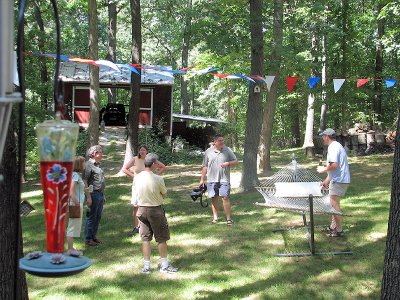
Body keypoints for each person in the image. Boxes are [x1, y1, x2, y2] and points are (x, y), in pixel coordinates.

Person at [133, 153, 178, 273]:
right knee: (162, 238)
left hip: (141, 210)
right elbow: (164, 194)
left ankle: (146, 267)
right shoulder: (158, 178)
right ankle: (164, 265)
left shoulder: (137, 177)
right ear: (153, 164)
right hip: (155, 210)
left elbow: (136, 193)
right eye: (157, 163)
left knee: (145, 239)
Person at [122, 145, 166, 236]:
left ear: (147, 151)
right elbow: (124, 169)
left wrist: (155, 175)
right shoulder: (135, 159)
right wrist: (134, 176)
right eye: (140, 150)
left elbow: (163, 167)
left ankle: (147, 224)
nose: (142, 152)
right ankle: (136, 226)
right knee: (136, 205)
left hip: (149, 184)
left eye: (144, 150)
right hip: (137, 185)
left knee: (147, 204)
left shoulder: (150, 160)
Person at [317, 128, 350, 237]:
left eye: (323, 136)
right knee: (334, 204)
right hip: (338, 179)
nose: (322, 138)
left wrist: (323, 169)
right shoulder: (336, 146)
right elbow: (335, 169)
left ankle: (339, 230)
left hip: (339, 180)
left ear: (327, 136)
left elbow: (334, 165)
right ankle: (333, 226)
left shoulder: (333, 147)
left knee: (334, 204)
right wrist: (326, 181)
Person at [199, 134, 238, 225]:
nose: (222, 142)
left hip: (224, 179)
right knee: (214, 198)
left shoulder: (227, 150)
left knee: (225, 197)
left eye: (222, 140)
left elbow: (236, 162)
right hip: (212, 179)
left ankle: (228, 219)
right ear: (215, 142)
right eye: (220, 140)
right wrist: (202, 179)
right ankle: (215, 218)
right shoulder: (208, 152)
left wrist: (228, 163)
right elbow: (205, 166)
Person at [66, 156, 91, 254]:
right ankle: (70, 250)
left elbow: (78, 190)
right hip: (75, 204)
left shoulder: (76, 175)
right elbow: (70, 192)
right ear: (79, 164)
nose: (85, 164)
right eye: (84, 162)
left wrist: (87, 190)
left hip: (76, 203)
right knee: (72, 227)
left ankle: (71, 248)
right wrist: (77, 204)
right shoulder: (75, 175)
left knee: (74, 226)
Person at [83, 145, 106, 246]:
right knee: (91, 217)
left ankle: (93, 237)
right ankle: (88, 239)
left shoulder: (98, 165)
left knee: (97, 216)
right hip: (92, 194)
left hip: (99, 194)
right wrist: (88, 196)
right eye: (100, 152)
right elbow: (85, 181)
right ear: (94, 154)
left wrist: (103, 194)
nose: (101, 154)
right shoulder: (88, 165)